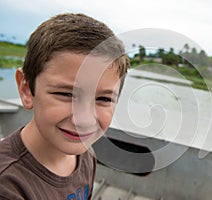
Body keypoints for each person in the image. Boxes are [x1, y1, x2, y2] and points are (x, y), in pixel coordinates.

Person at [0, 13, 130, 199]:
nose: (84, 120)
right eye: (66, 94)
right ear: (27, 89)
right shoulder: (7, 185)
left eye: (103, 99)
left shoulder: (85, 154)